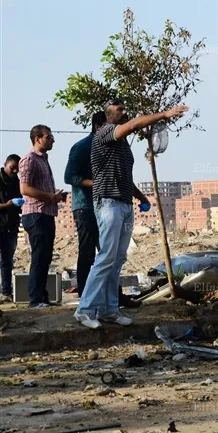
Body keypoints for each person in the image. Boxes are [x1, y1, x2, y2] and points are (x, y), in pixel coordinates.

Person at [74, 99, 189, 329]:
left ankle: (109, 310)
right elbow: (134, 124)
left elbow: (125, 176)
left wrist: (141, 197)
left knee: (117, 259)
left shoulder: (123, 145)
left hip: (124, 204)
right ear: (108, 116)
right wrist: (164, 114)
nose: (124, 112)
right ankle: (84, 310)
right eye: (119, 110)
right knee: (106, 257)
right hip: (108, 203)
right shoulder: (105, 132)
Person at [64, 111, 140, 308]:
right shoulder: (82, 147)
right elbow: (70, 176)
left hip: (110, 204)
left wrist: (141, 197)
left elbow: (123, 177)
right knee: (89, 253)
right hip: (87, 206)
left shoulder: (117, 146)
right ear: (99, 126)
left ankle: (113, 298)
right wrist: (96, 183)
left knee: (112, 255)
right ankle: (86, 299)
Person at [19, 125, 66, 308]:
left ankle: (42, 297)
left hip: (46, 213)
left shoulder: (43, 160)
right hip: (35, 214)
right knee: (39, 257)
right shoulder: (29, 159)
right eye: (49, 137)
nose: (53, 140)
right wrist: (50, 197)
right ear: (37, 139)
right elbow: (24, 188)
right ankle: (35, 299)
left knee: (45, 257)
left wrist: (55, 197)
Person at [0, 154, 24, 303]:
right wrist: (7, 205)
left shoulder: (16, 181)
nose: (15, 171)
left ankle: (6, 292)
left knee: (7, 261)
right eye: (12, 168)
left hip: (11, 226)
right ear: (5, 164)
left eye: (17, 169)